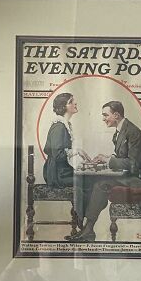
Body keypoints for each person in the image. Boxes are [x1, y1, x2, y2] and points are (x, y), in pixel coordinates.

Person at [66, 100, 141, 242]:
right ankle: (85, 226)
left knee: (100, 185)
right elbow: (124, 157)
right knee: (91, 181)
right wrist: (107, 158)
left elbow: (133, 164)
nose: (103, 119)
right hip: (133, 176)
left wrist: (108, 161)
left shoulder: (132, 132)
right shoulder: (121, 130)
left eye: (105, 115)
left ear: (116, 115)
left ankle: (88, 229)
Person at [42, 92, 91, 223]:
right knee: (88, 182)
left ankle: (82, 219)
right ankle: (82, 221)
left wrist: (76, 153)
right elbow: (57, 155)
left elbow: (62, 153)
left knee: (88, 179)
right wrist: (75, 152)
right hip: (56, 174)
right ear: (63, 107)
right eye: (71, 102)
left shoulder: (65, 125)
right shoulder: (59, 127)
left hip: (61, 170)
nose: (75, 103)